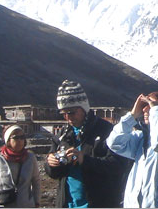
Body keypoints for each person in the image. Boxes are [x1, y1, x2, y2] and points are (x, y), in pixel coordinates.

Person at [45, 80, 131, 208]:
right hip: (67, 203)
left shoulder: (106, 131)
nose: (68, 117)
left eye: (71, 112)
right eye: (63, 113)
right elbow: (53, 173)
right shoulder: (63, 135)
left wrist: (84, 160)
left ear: (84, 108)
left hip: (99, 203)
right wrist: (51, 163)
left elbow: (119, 166)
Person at [106, 91, 158, 208]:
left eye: (149, 106)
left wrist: (155, 110)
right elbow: (114, 143)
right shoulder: (142, 137)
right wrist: (132, 115)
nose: (144, 110)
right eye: (144, 106)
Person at [0, 125, 42, 208]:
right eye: (15, 137)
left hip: (27, 205)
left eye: (22, 137)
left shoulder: (30, 158)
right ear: (8, 140)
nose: (19, 140)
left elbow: (36, 181)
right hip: (5, 205)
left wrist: (36, 202)